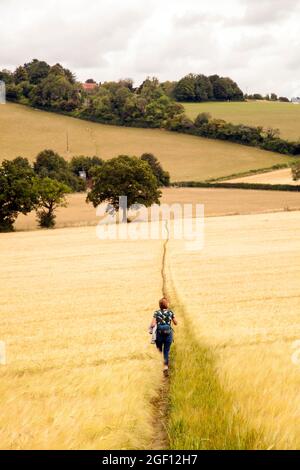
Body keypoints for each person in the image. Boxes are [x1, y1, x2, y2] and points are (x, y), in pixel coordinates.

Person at [149, 297, 177, 375]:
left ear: (159, 305)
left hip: (159, 335)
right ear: (167, 305)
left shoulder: (156, 313)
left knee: (159, 351)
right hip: (168, 334)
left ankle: (159, 367)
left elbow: (153, 324)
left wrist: (152, 327)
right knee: (166, 351)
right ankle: (165, 367)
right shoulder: (170, 312)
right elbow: (175, 323)